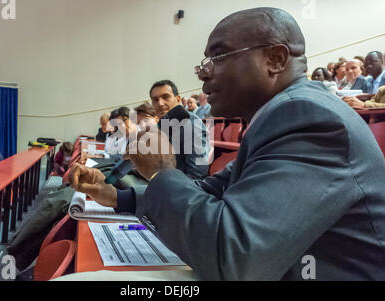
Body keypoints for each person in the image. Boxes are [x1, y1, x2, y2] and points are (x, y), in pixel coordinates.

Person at [70, 7, 385, 280]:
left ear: (275, 59)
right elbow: (208, 193)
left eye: (217, 57)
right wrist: (115, 196)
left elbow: (234, 259)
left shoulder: (308, 117)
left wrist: (161, 172)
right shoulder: (281, 115)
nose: (203, 75)